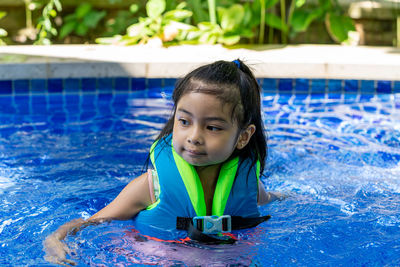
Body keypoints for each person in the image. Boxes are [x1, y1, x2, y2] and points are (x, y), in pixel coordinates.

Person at [44, 59, 283, 265]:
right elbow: (93, 222)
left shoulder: (248, 185)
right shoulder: (150, 187)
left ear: (243, 136)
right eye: (184, 122)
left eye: (212, 127)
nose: (194, 137)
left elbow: (272, 199)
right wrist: (55, 240)